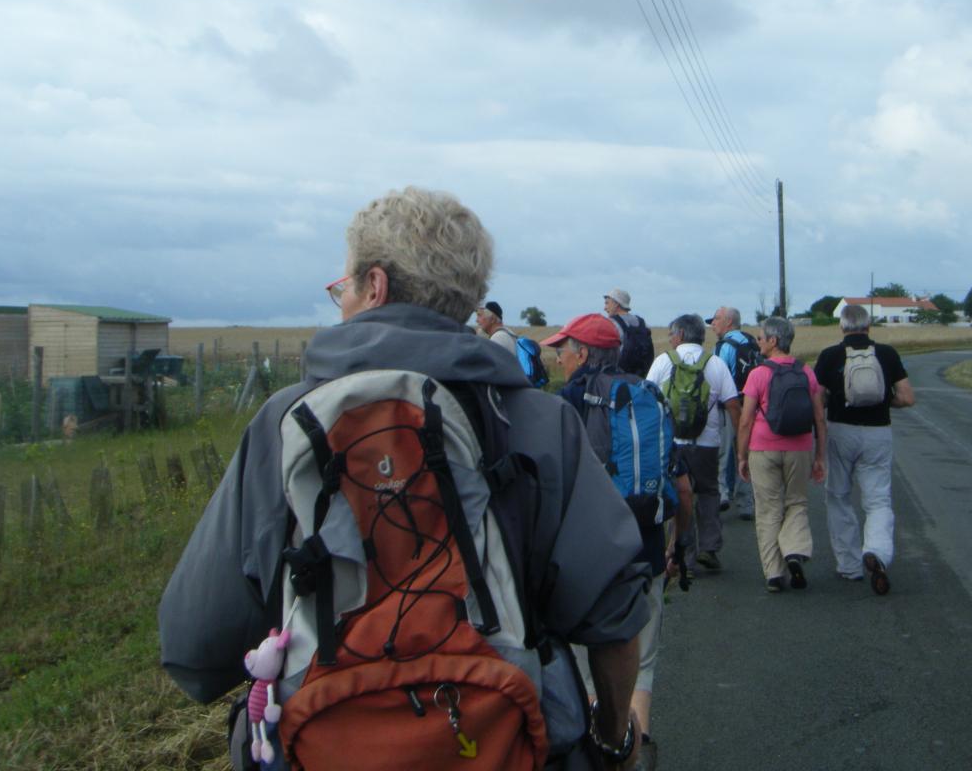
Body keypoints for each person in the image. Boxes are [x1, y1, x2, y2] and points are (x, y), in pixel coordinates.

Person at [159, 187, 650, 770]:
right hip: (504, 743)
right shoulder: (540, 421)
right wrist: (614, 736)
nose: (340, 300)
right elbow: (613, 612)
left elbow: (194, 646)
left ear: (375, 285)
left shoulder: (285, 424)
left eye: (342, 287)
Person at [544, 313, 693, 771]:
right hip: (644, 550)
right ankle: (639, 746)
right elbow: (681, 488)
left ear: (584, 353)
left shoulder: (563, 404)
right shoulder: (650, 397)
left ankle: (598, 750)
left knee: (589, 669)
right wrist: (677, 546)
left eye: (562, 350)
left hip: (582, 562)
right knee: (639, 662)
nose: (558, 358)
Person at [813, 303, 915, 595]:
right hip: (878, 433)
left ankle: (849, 565)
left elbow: (818, 400)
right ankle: (878, 553)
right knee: (878, 500)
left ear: (842, 327)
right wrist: (885, 402)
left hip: (840, 432)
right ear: (869, 326)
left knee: (838, 496)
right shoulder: (887, 354)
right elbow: (907, 398)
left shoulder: (830, 355)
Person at [735, 316, 827, 593]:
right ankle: (795, 552)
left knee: (768, 510)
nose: (759, 341)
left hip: (764, 448)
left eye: (762, 337)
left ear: (774, 341)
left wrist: (741, 456)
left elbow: (745, 421)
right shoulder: (806, 372)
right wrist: (820, 454)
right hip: (799, 447)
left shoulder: (758, 374)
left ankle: (774, 573)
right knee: (797, 502)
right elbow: (819, 418)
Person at [646, 313, 740, 572]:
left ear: (680, 335)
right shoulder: (716, 363)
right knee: (709, 493)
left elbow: (646, 398)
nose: (669, 339)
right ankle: (709, 548)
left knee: (678, 497)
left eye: (671, 334)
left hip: (673, 443)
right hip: (707, 442)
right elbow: (732, 403)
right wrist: (740, 439)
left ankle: (682, 555)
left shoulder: (664, 361)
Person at [709, 306, 759, 520]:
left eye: (716, 319)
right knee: (746, 451)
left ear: (728, 322)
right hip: (752, 404)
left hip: (730, 406)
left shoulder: (724, 346)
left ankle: (722, 494)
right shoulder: (752, 342)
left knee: (723, 452)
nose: (712, 323)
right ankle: (746, 502)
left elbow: (718, 379)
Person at [604, 289, 654, 377]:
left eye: (607, 303)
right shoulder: (642, 323)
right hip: (641, 377)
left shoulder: (611, 323)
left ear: (616, 304)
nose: (605, 308)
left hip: (618, 377)